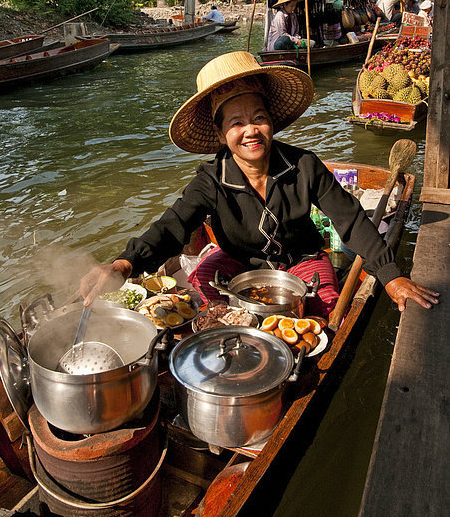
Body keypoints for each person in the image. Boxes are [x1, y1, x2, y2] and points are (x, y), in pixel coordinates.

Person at [80, 51, 439, 317]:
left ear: (271, 123)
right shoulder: (210, 180)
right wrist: (123, 265)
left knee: (325, 307)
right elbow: (171, 226)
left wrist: (391, 276)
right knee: (204, 289)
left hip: (302, 260)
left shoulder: (304, 166)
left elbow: (352, 221)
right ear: (221, 135)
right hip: (239, 263)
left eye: (258, 118)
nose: (250, 130)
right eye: (236, 123)